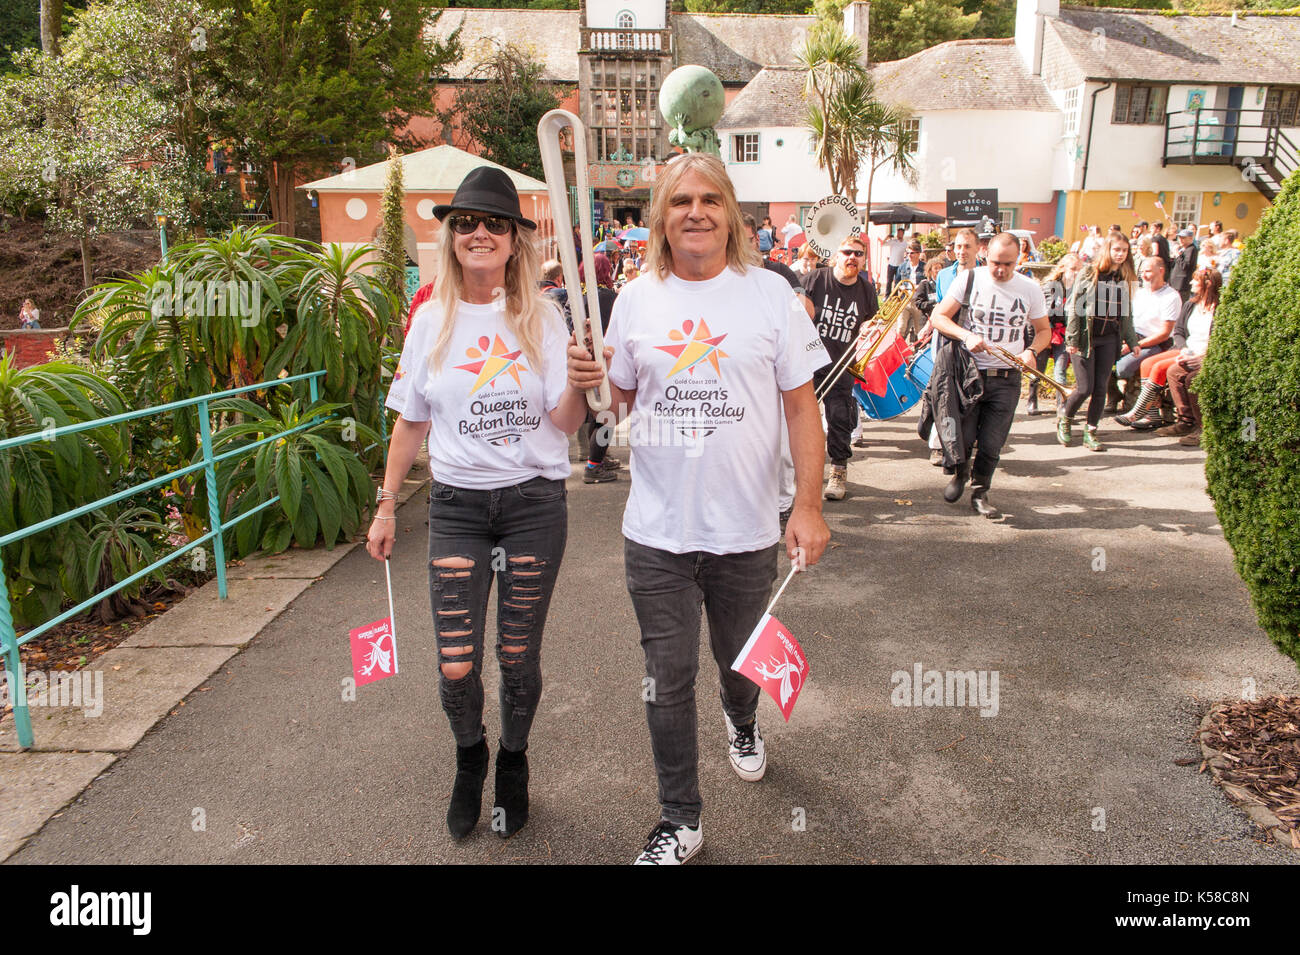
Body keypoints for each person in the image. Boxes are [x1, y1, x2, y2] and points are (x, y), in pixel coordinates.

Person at [566, 153, 829, 865]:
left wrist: (807, 503)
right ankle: (679, 818)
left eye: (710, 198)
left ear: (732, 212)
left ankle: (742, 720)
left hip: (747, 531)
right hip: (657, 532)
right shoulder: (635, 300)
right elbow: (615, 404)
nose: (696, 211)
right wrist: (595, 383)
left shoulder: (771, 294)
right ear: (661, 215)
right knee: (667, 674)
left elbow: (804, 408)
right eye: (680, 199)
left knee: (738, 663)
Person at [368, 166, 588, 842]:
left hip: (531, 505)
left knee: (518, 655)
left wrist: (582, 380)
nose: (480, 232)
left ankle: (514, 762)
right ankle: (471, 754)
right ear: (451, 235)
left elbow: (565, 421)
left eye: (496, 223)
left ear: (516, 240)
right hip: (458, 506)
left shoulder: (544, 318)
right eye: (466, 222)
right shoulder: (431, 319)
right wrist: (384, 504)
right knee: (455, 659)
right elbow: (410, 419)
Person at [926, 232, 1050, 517]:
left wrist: (1031, 351)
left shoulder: (1030, 288)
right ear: (985, 254)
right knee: (965, 437)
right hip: (970, 372)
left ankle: (981, 492)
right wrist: (966, 335)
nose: (1001, 270)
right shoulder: (970, 278)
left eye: (1008, 264)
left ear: (1018, 259)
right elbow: (939, 317)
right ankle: (960, 472)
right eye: (996, 262)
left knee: (993, 442)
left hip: (1007, 376)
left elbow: (1043, 331)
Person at [801, 232, 879, 501]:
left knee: (839, 420)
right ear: (836, 255)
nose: (852, 258)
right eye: (847, 252)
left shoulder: (867, 290)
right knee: (800, 421)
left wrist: (870, 327)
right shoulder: (814, 279)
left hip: (842, 364)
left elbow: (870, 323)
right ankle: (798, 474)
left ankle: (837, 472)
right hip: (808, 363)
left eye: (858, 254)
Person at [1057, 232, 1139, 451]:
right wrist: (1072, 338)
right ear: (1108, 250)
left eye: (1124, 250)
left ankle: (1091, 431)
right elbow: (1075, 307)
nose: (1121, 254)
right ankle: (1065, 419)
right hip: (1085, 338)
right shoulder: (1090, 273)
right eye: (1117, 249)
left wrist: (1132, 341)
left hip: (1110, 339)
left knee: (1101, 388)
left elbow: (1127, 315)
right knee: (1084, 388)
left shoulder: (1124, 278)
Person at [1129, 268, 1221, 442]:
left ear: (1207, 284)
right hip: (1188, 351)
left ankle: (1202, 427)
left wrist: (1205, 356)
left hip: (1208, 355)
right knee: (1173, 371)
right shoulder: (1191, 304)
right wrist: (1184, 348)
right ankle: (1184, 420)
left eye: (1195, 280)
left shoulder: (1220, 308)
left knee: (1191, 378)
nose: (1191, 283)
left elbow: (1222, 338)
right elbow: (1178, 332)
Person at [918, 228, 978, 464]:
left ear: (977, 249)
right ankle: (938, 444)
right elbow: (940, 308)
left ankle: (965, 441)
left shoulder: (984, 274)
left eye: (966, 246)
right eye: (958, 246)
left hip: (973, 340)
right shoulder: (944, 274)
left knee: (969, 391)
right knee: (941, 390)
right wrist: (928, 328)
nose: (961, 251)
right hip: (945, 338)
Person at [1112, 255, 1180, 421]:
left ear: (1161, 271)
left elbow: (1164, 332)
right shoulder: (1139, 293)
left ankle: (1152, 410)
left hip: (1155, 342)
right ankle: (1113, 396)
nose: (1144, 275)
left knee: (1123, 368)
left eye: (1148, 271)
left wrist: (1134, 345)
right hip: (1133, 337)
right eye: (1142, 272)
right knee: (1100, 356)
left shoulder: (1171, 296)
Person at [577, 253, 624, 484]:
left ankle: (596, 459)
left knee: (596, 414)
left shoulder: (577, 298)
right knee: (607, 416)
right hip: (605, 360)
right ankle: (594, 466)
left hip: (584, 359)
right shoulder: (609, 297)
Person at [1026, 252, 1082, 416]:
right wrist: (1045, 337)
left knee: (1060, 370)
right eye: (1073, 269)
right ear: (1063, 269)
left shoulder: (1079, 289)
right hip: (1045, 332)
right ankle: (1032, 399)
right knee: (1038, 369)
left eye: (1079, 269)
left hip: (1063, 334)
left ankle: (1062, 406)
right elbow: (1042, 314)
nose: (1076, 273)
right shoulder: (1050, 287)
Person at [894, 242, 926, 344]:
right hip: (905, 300)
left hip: (918, 301)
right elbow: (897, 283)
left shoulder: (924, 267)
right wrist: (900, 287)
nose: (909, 256)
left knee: (919, 330)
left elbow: (928, 283)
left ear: (918, 253)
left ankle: (917, 353)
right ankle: (899, 352)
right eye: (907, 253)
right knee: (900, 328)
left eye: (912, 253)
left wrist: (919, 287)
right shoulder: (902, 267)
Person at [1168, 228, 1199, 302]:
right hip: (1175, 283)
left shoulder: (1191, 249)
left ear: (1191, 238)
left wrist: (1177, 254)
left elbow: (1185, 266)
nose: (1180, 240)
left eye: (1183, 238)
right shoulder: (1183, 249)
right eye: (1179, 238)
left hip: (1182, 285)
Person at [883, 227, 907, 294]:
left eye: (900, 233)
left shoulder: (905, 243)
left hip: (900, 265)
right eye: (898, 233)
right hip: (891, 264)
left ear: (903, 234)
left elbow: (907, 252)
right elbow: (883, 244)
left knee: (897, 281)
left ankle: (895, 295)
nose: (899, 234)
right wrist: (887, 237)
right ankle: (887, 295)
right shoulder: (893, 241)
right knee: (889, 281)